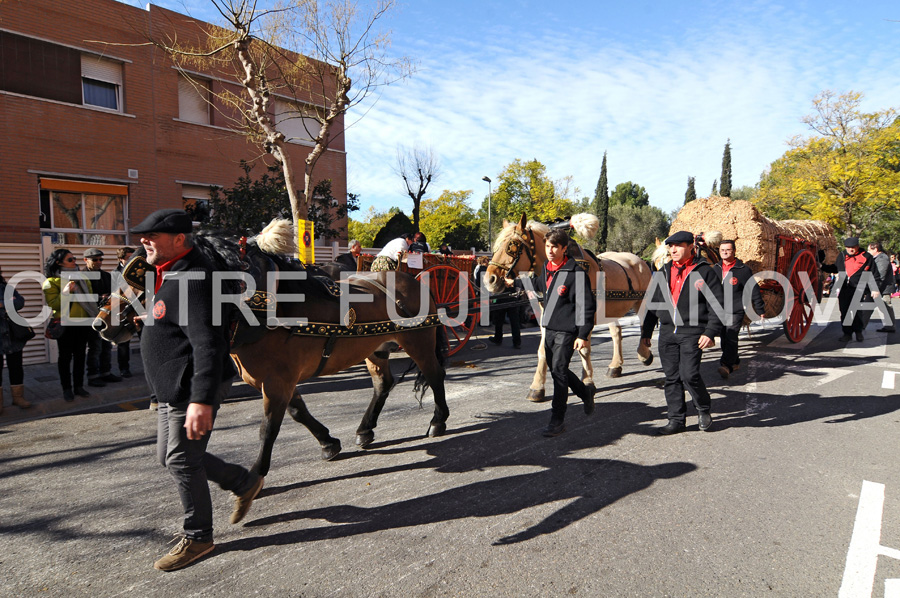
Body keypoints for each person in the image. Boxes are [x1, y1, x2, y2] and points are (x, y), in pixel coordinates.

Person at [132, 209, 263, 572]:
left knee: (181, 460)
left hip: (190, 389)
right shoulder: (171, 272)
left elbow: (208, 345)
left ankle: (199, 537)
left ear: (178, 240)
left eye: (152, 236)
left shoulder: (192, 279)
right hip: (172, 389)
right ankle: (241, 480)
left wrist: (201, 400)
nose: (143, 240)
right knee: (171, 457)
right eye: (142, 235)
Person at [640, 231, 724, 435]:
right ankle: (676, 420)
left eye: (678, 246)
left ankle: (703, 408)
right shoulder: (663, 273)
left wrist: (710, 332)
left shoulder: (704, 271)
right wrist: (646, 333)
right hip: (668, 333)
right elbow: (652, 305)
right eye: (670, 246)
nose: (673, 250)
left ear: (690, 247)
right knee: (671, 378)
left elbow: (718, 305)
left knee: (690, 375)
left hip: (692, 332)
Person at [531, 228, 596, 437]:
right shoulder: (546, 267)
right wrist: (514, 282)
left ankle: (557, 419)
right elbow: (540, 285)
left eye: (554, 247)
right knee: (557, 369)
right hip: (549, 328)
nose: (550, 251)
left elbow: (586, 306)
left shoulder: (575, 273)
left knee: (559, 372)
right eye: (547, 246)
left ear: (564, 248)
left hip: (567, 332)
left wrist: (582, 335)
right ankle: (585, 393)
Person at [42, 249, 97, 402]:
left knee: (80, 356)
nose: (74, 261)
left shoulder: (83, 278)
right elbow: (54, 304)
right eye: (70, 259)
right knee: (65, 358)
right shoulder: (51, 282)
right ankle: (67, 388)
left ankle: (78, 386)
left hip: (83, 322)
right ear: (59, 262)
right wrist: (66, 292)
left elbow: (90, 300)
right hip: (65, 324)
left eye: (74, 258)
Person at [712, 240, 765, 379]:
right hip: (719, 310)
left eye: (728, 250)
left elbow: (753, 289)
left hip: (735, 309)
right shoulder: (716, 268)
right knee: (724, 338)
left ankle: (726, 365)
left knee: (731, 336)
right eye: (722, 250)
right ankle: (735, 362)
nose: (724, 252)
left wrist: (760, 309)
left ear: (734, 251)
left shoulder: (743, 270)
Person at [821, 237, 882, 342]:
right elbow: (835, 268)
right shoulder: (842, 255)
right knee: (844, 311)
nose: (850, 249)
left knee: (857, 311)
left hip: (859, 287)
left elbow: (874, 274)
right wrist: (822, 266)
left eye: (853, 247)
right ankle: (847, 333)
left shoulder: (867, 257)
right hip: (844, 287)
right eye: (848, 247)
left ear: (857, 246)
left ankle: (858, 332)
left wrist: (874, 289)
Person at [83, 248, 122, 387]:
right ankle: (93, 376)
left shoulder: (106, 276)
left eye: (101, 259)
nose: (99, 262)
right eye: (95, 260)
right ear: (86, 260)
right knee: (95, 347)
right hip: (91, 316)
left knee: (106, 345)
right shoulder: (81, 276)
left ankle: (106, 372)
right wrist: (100, 297)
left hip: (106, 316)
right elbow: (79, 297)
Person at [0, 265, 32, 413]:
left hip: (12, 334)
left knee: (16, 366)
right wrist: (8, 304)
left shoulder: (5, 286)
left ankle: (18, 397)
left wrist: (3, 304)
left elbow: (20, 302)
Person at [114, 246, 136, 378]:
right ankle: (124, 368)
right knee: (123, 343)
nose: (132, 260)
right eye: (129, 258)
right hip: (123, 312)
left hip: (139, 311)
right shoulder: (115, 274)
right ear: (121, 259)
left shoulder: (138, 271)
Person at [868, 242, 895, 333]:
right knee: (867, 306)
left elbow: (881, 275)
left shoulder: (882, 258)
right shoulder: (876, 258)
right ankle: (860, 326)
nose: (868, 252)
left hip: (883, 288)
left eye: (869, 250)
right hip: (876, 287)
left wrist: (874, 287)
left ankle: (890, 326)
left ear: (875, 249)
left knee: (886, 307)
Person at [489, 280, 522, 349]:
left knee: (499, 320)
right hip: (512, 296)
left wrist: (492, 295)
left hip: (501, 296)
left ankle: (498, 338)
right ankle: (517, 342)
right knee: (514, 321)